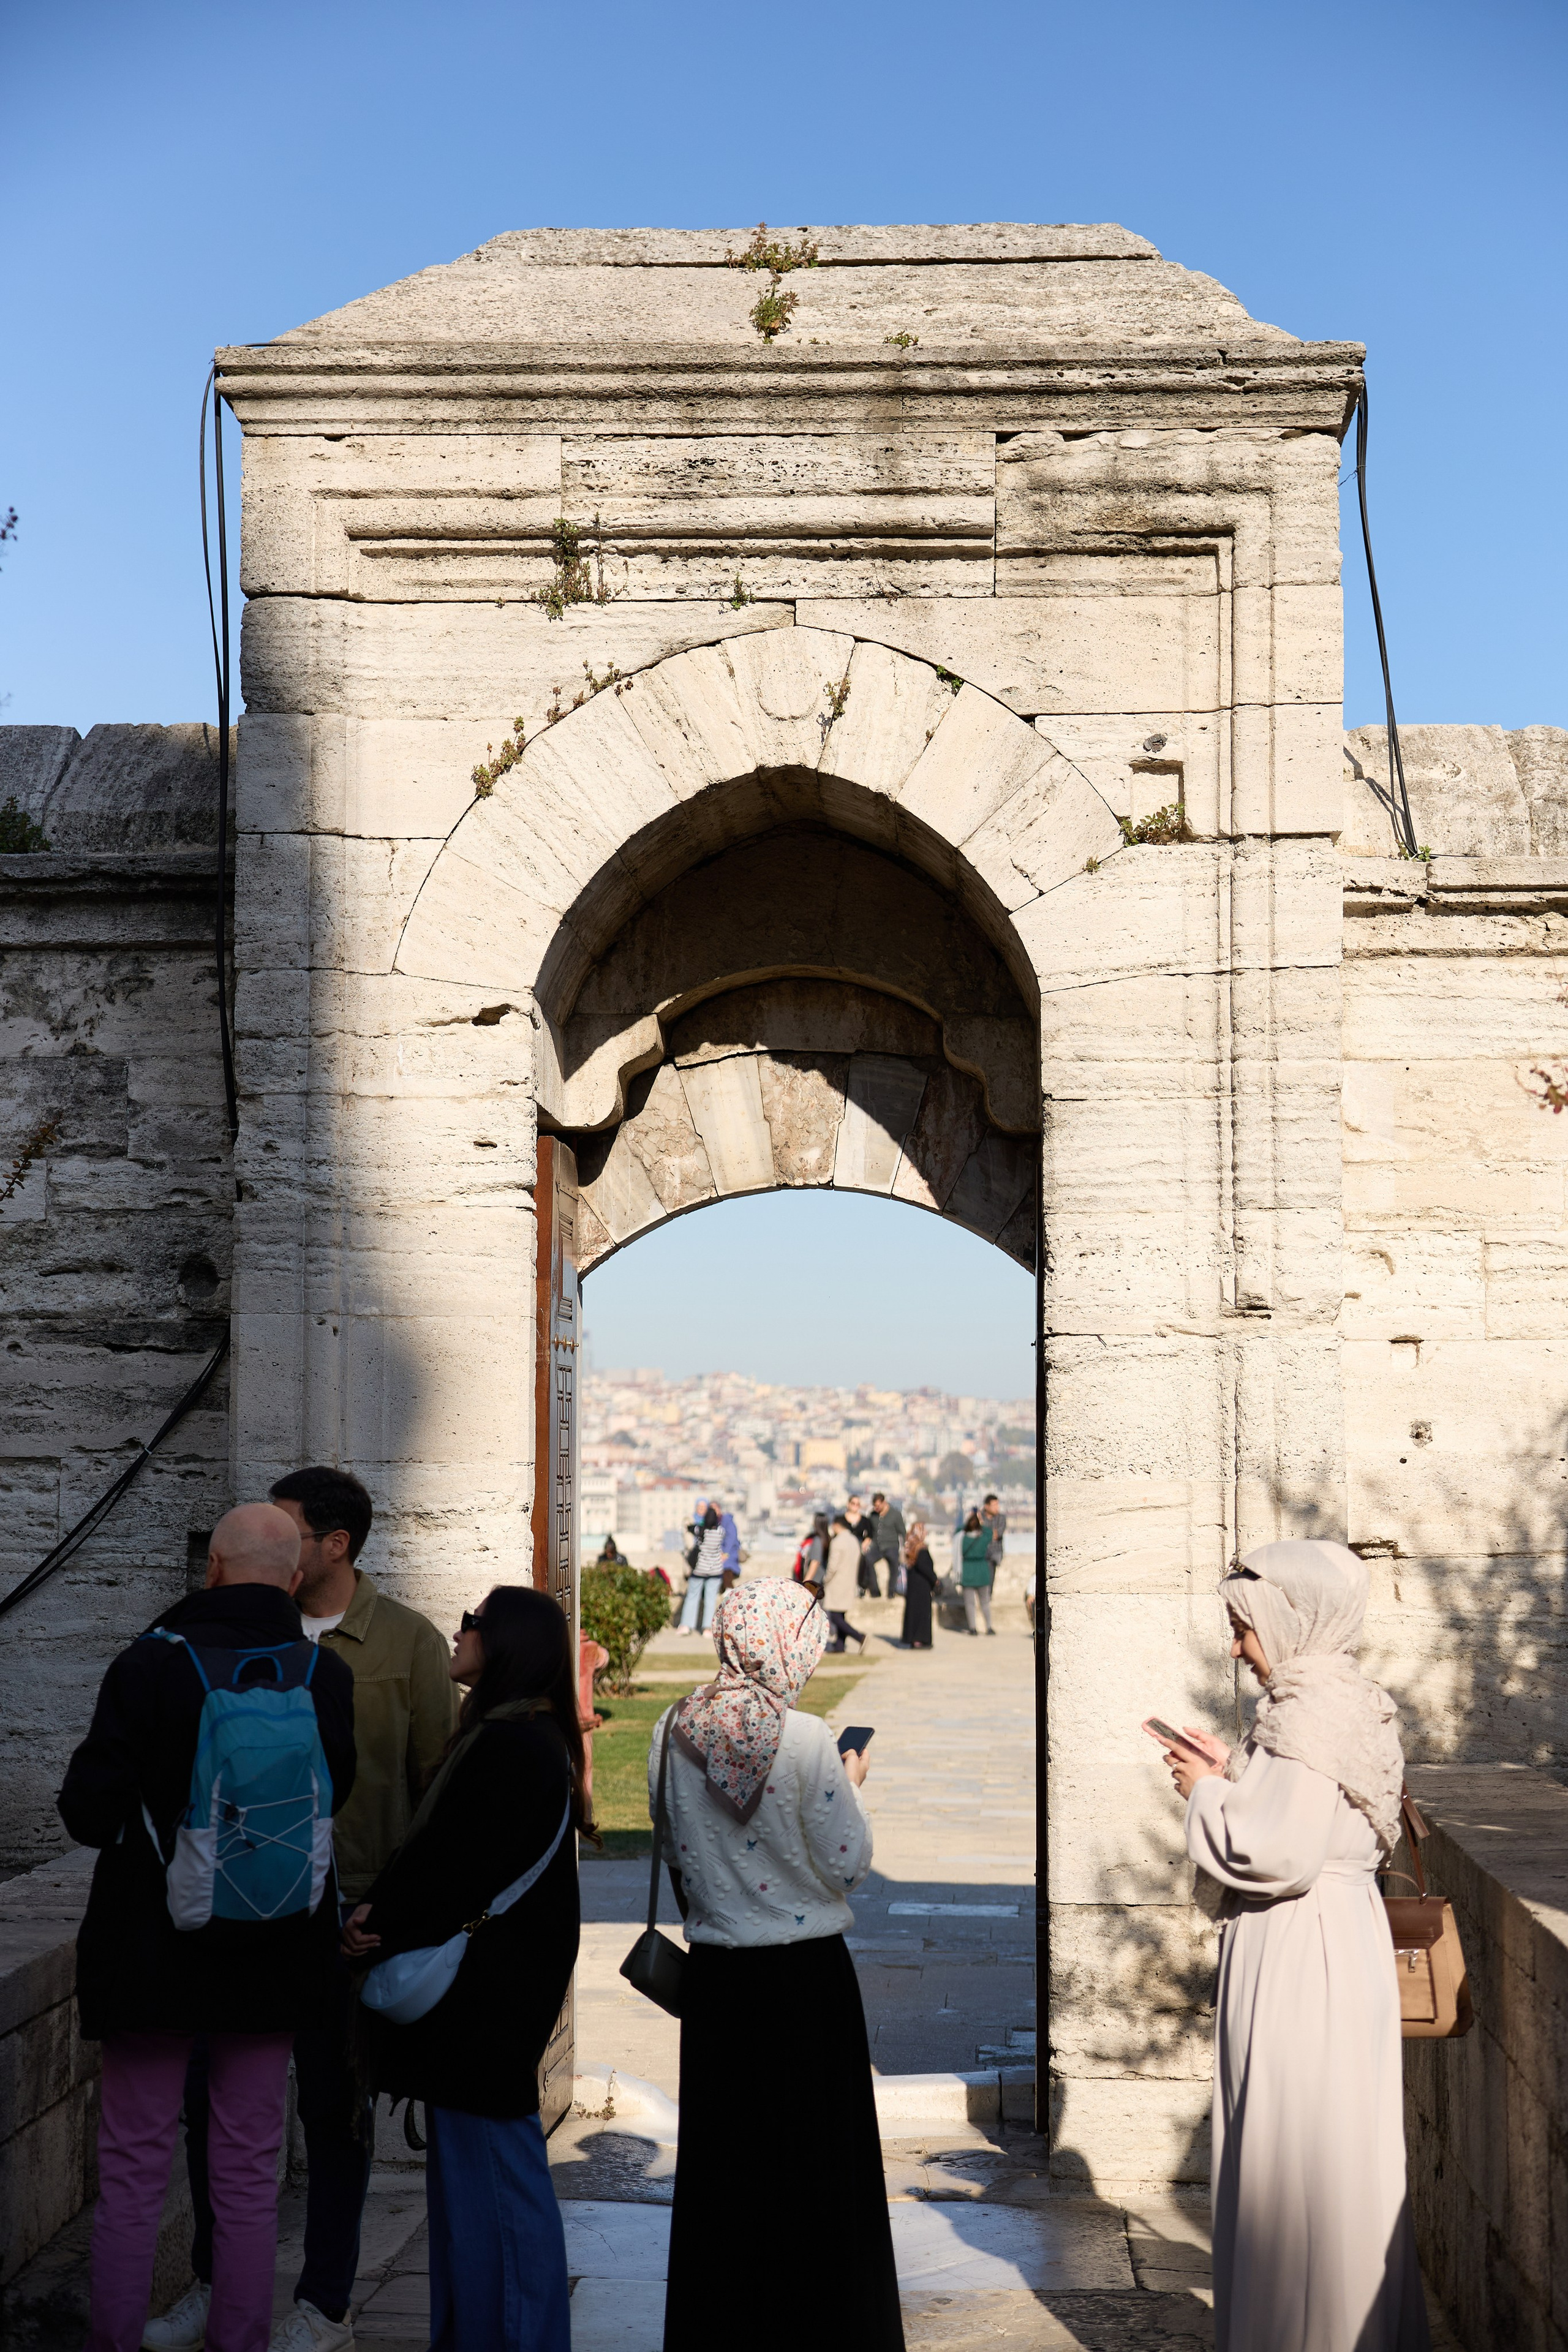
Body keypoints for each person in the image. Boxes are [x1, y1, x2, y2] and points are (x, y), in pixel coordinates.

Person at [149, 1467, 457, 2352]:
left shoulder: (406, 1643)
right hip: (229, 1914)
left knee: (334, 2115)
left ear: (334, 1545)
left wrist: (393, 1911)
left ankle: (326, 2303)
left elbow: (432, 1792)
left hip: (346, 1917)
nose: (273, 1542)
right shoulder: (227, 1630)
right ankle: (215, 2282)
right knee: (215, 2105)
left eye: (288, 1528)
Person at [58, 1506, 356, 2352]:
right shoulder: (323, 1674)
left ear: (212, 1569)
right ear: (293, 1580)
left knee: (134, 2169)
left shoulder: (150, 1664)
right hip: (275, 1953)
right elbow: (336, 1793)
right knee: (249, 2173)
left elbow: (89, 1812)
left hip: (153, 1955)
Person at [1156, 1539, 1430, 2352]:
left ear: (1290, 1618)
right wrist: (1234, 1774)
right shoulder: (1351, 1701)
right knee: (1336, 2154)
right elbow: (1306, 1816)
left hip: (1301, 1953)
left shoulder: (1306, 1714)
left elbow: (1280, 1852)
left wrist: (1205, 1793)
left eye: (1244, 1628)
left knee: (1295, 2157)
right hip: (1338, 1940)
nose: (1236, 1649)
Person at [649, 1581, 903, 2352]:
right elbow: (848, 1861)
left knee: (726, 2175)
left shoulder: (671, 1728)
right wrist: (849, 1786)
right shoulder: (805, 1740)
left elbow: (671, 1841)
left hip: (719, 1980)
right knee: (816, 2171)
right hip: (804, 1982)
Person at [344, 1586, 587, 2352]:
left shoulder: (513, 1745)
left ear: (506, 1644)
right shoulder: (521, 1736)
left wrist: (374, 1922)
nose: (459, 1633)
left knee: (497, 2198)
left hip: (486, 2011)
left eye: (474, 1624)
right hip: (488, 2004)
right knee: (472, 2197)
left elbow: (449, 1866)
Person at [675, 1501, 727, 1635]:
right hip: (715, 1570)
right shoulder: (720, 1532)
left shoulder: (701, 1531)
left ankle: (686, 1625)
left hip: (700, 1570)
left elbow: (690, 1528)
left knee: (692, 1597)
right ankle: (708, 1628)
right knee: (710, 1600)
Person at [821, 1511, 867, 1652]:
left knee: (835, 1617)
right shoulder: (854, 1541)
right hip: (850, 1582)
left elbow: (832, 1566)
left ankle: (859, 1637)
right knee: (841, 1615)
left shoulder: (837, 1542)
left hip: (837, 1584)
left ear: (836, 1525)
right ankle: (839, 1646)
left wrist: (825, 1579)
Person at [899, 1523, 937, 1649]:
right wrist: (935, 1580)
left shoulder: (909, 1546)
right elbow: (924, 1567)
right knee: (921, 1614)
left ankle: (912, 1638)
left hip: (913, 1586)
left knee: (913, 1613)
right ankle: (919, 1640)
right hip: (922, 1586)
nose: (925, 1533)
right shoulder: (921, 1548)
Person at [959, 1508, 995, 1635]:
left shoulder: (963, 1539)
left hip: (967, 1571)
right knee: (985, 1602)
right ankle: (989, 1627)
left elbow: (958, 1531)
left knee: (970, 1604)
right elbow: (990, 1532)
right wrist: (980, 1522)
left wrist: (970, 1521)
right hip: (982, 1571)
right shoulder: (983, 1538)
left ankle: (973, 1628)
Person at [845, 1492, 881, 1599]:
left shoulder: (865, 1520)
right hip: (846, 1548)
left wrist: (865, 1544)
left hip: (859, 1548)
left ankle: (862, 1588)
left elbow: (870, 1535)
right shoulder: (842, 1519)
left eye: (858, 1504)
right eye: (853, 1503)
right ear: (848, 1504)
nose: (855, 1506)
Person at [871, 1492, 907, 1597]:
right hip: (877, 1546)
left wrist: (906, 1547)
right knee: (868, 1561)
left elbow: (903, 1532)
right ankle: (875, 1591)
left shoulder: (895, 1514)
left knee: (894, 1566)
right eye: (875, 1506)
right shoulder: (873, 1515)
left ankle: (891, 1592)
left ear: (884, 1503)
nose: (877, 1508)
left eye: (878, 1506)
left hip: (892, 1546)